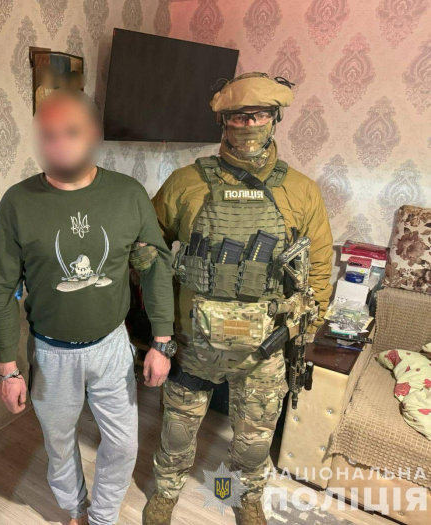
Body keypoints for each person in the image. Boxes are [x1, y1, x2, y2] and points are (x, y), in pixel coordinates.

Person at [140, 73, 333, 525]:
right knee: (176, 433)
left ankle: (245, 497)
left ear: (275, 119)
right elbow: (148, 246)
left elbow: (320, 269)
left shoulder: (301, 190)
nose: (248, 125)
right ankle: (166, 492)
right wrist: (161, 324)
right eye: (237, 116)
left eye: (259, 115)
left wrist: (304, 328)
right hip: (193, 343)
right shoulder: (185, 182)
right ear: (222, 122)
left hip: (263, 349)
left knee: (254, 442)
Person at [0, 90, 176, 525]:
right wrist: (7, 370)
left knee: (123, 444)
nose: (59, 145)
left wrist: (162, 342)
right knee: (59, 445)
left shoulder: (128, 194)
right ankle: (75, 511)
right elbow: (3, 289)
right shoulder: (17, 202)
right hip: (51, 352)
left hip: (112, 346)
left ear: (92, 134)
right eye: (49, 135)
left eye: (71, 132)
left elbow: (155, 267)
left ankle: (103, 517)